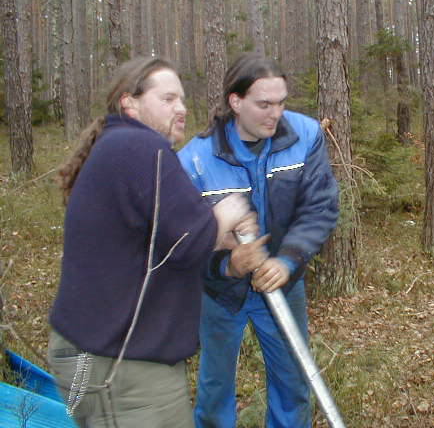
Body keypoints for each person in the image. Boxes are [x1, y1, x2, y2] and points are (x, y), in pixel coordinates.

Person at [48, 57, 256, 428]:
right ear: (130, 103)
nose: (181, 108)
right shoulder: (141, 147)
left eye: (182, 99)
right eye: (168, 99)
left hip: (90, 353)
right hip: (121, 365)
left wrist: (218, 239)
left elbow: (158, 241)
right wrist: (229, 210)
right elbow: (190, 239)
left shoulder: (117, 146)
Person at [178, 53, 339, 428]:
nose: (275, 113)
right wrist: (228, 265)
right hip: (220, 292)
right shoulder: (195, 161)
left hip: (283, 282)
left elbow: (320, 207)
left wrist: (287, 260)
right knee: (215, 388)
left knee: (292, 384)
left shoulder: (305, 136)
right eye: (264, 104)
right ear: (236, 102)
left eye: (281, 102)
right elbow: (183, 241)